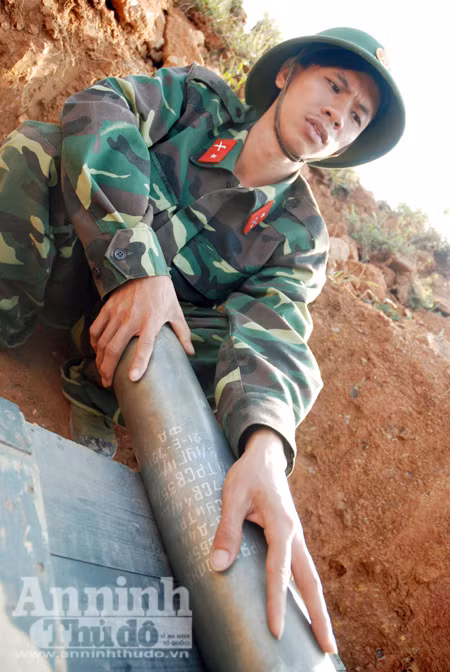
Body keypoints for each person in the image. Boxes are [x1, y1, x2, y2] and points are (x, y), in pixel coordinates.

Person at [0, 27, 404, 653]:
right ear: (287, 73)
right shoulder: (196, 100)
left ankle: (95, 396)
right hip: (62, 273)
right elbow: (99, 105)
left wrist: (266, 447)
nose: (337, 115)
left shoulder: (300, 237)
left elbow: (276, 334)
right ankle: (9, 329)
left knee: (233, 349)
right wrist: (140, 266)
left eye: (356, 116)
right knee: (39, 147)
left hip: (128, 352)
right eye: (334, 86)